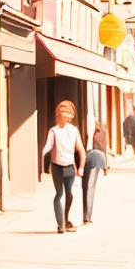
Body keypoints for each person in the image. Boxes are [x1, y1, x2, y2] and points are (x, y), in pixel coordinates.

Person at [41, 100, 86, 233]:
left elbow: (81, 150)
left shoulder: (73, 130)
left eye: (67, 113)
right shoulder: (53, 131)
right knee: (59, 194)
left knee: (69, 194)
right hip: (56, 166)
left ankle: (65, 219)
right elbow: (48, 146)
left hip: (70, 168)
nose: (63, 116)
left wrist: (81, 166)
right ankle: (61, 224)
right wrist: (41, 156)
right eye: (61, 113)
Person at [81, 123, 109, 224]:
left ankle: (87, 216)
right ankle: (85, 215)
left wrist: (106, 164)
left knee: (89, 186)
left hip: (95, 157)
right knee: (84, 187)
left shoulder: (102, 129)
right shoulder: (81, 126)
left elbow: (104, 146)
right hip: (82, 156)